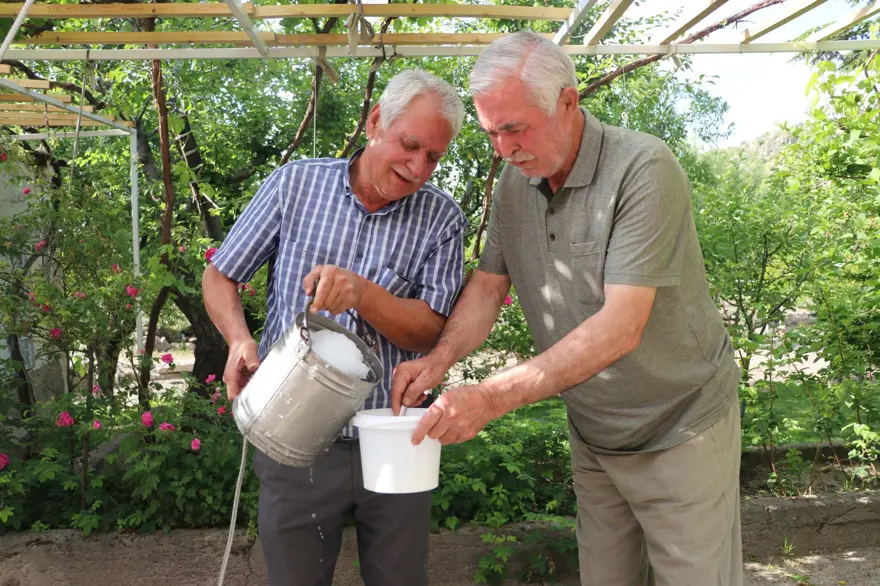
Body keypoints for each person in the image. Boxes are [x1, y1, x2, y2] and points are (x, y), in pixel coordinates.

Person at [391, 31, 743, 586]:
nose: (504, 149)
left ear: (567, 103)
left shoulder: (643, 168)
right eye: (491, 134)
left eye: (514, 128)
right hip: (596, 434)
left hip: (682, 425)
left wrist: (488, 396)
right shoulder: (515, 182)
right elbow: (486, 288)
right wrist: (438, 363)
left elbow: (621, 327)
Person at [202, 69, 466, 586]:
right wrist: (238, 339)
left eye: (433, 157)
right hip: (289, 428)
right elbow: (220, 274)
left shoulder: (442, 218)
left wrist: (364, 293)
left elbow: (430, 329)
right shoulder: (296, 183)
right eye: (409, 145)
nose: (417, 168)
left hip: (395, 435)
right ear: (374, 123)